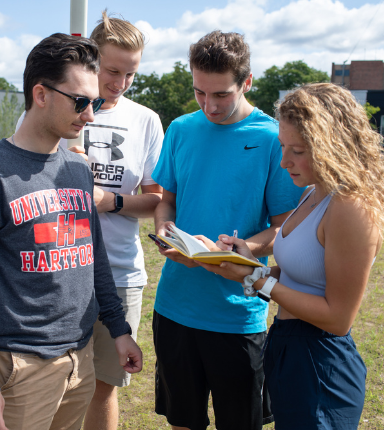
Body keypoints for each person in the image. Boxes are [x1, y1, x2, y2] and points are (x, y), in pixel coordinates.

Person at [0, 33, 143, 430]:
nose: (90, 115)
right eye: (81, 102)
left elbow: (93, 258)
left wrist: (118, 330)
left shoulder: (76, 168)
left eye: (95, 103)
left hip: (80, 359)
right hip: (19, 368)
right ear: (41, 94)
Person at [197, 83, 384, 429]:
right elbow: (299, 276)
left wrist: (255, 278)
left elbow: (337, 318)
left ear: (332, 145)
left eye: (299, 150)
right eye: (282, 146)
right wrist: (247, 265)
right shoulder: (313, 192)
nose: (284, 161)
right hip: (287, 348)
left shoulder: (350, 207)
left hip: (319, 363)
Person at [16, 13, 164, 430]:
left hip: (118, 270)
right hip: (56, 268)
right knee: (49, 381)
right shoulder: (53, 108)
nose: (120, 83)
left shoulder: (146, 121)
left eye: (131, 74)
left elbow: (156, 201)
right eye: (113, 70)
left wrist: (105, 200)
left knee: (103, 385)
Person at [151, 30, 304, 430]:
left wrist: (244, 247)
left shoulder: (273, 138)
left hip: (237, 315)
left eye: (221, 94)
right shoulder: (182, 128)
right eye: (200, 92)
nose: (209, 105)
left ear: (247, 82)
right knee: (182, 420)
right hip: (175, 306)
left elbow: (285, 226)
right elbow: (166, 198)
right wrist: (164, 226)